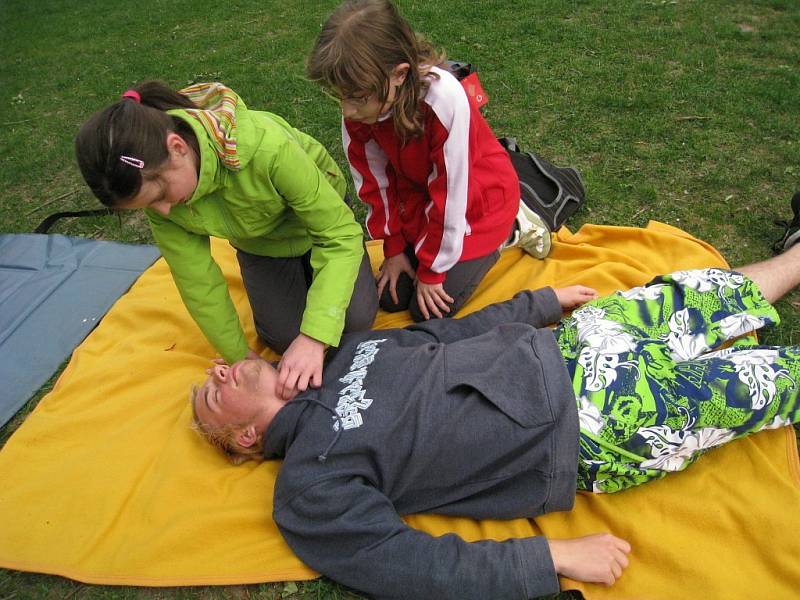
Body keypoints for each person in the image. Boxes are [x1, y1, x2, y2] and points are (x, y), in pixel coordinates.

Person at [191, 230, 800, 599]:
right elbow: (410, 567)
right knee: (764, 383)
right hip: (588, 424)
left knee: (703, 296)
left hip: (568, 343)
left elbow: (442, 336)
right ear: (246, 437)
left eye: (215, 371)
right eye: (212, 394)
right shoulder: (307, 486)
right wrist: (552, 558)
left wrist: (538, 302)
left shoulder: (344, 351)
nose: (219, 370)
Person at [75, 81, 378, 399]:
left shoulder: (265, 147)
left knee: (352, 323)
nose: (162, 210)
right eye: (149, 206)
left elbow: (336, 233)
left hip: (318, 231)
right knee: (284, 340)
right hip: (261, 244)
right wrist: (239, 356)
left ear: (178, 147)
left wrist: (315, 337)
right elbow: (198, 284)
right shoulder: (160, 201)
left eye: (162, 195)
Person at [306, 0, 551, 322]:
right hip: (421, 199)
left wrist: (433, 270)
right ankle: (432, 252)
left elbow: (451, 195)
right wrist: (392, 247)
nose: (347, 111)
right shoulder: (359, 106)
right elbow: (373, 183)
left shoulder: (444, 98)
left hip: (475, 201)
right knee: (392, 298)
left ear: (399, 74)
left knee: (428, 311)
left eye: (357, 98)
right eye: (340, 97)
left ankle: (515, 225)